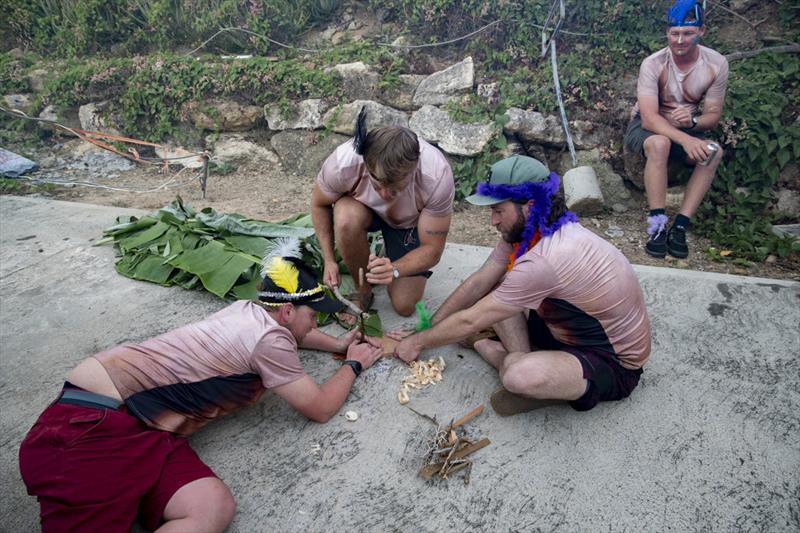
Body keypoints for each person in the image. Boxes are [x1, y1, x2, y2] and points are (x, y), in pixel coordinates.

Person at [18, 238, 383, 533]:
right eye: (312, 313)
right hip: (90, 427)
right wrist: (354, 363)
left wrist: (336, 344)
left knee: (212, 505)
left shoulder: (249, 311)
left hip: (143, 424)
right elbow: (319, 408)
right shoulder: (269, 341)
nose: (316, 321)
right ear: (286, 312)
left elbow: (292, 336)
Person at [395, 155, 651, 415]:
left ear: (529, 206)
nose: (493, 221)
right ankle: (527, 358)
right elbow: (480, 281)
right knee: (496, 286)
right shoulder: (529, 230)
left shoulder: (546, 258)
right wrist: (428, 326)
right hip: (564, 327)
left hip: (612, 362)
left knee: (518, 375)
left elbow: (471, 321)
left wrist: (416, 342)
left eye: (498, 211)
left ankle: (496, 352)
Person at [311, 110, 454, 318]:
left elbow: (433, 249)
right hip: (363, 211)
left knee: (405, 306)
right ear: (366, 164)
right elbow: (318, 204)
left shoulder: (436, 176)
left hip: (409, 224)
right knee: (345, 218)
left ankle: (388, 253)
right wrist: (329, 260)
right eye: (378, 184)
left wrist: (394, 268)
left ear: (414, 168)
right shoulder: (343, 163)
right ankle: (363, 291)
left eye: (396, 187)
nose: (386, 195)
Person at [624, 0, 729, 258]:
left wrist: (693, 124)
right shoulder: (654, 63)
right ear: (668, 33)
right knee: (660, 144)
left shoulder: (716, 63)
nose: (680, 40)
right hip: (649, 126)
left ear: (701, 32)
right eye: (674, 33)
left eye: (688, 33)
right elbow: (648, 119)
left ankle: (680, 225)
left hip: (686, 127)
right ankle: (657, 225)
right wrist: (687, 140)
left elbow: (712, 115)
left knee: (714, 152)